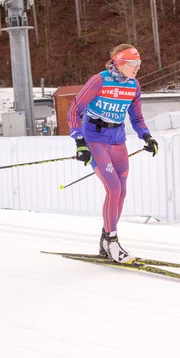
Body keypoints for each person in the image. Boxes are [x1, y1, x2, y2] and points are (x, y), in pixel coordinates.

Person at [67, 44, 158, 264]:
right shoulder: (100, 80)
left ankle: (105, 239)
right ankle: (112, 240)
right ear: (120, 62)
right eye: (134, 63)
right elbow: (74, 110)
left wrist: (146, 136)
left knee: (122, 191)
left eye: (140, 63)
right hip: (95, 138)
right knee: (113, 187)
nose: (138, 67)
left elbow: (136, 118)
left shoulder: (133, 86)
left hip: (117, 139)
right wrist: (80, 142)